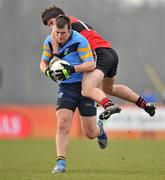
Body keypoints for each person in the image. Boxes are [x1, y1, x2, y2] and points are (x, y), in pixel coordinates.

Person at [41, 5, 156, 119]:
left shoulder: (66, 24)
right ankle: (144, 104)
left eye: (52, 23)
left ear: (61, 17)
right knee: (109, 89)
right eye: (49, 25)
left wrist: (55, 56)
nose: (52, 28)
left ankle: (108, 105)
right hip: (110, 53)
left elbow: (53, 38)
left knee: (86, 89)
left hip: (99, 54)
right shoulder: (77, 23)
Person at [40, 15, 108, 173]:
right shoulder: (49, 42)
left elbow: (91, 64)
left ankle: (100, 130)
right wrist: (48, 72)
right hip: (66, 87)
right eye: (57, 32)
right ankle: (60, 163)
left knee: (90, 133)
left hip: (85, 86)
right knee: (62, 123)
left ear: (69, 29)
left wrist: (71, 69)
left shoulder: (80, 40)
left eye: (63, 33)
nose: (59, 36)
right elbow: (42, 63)